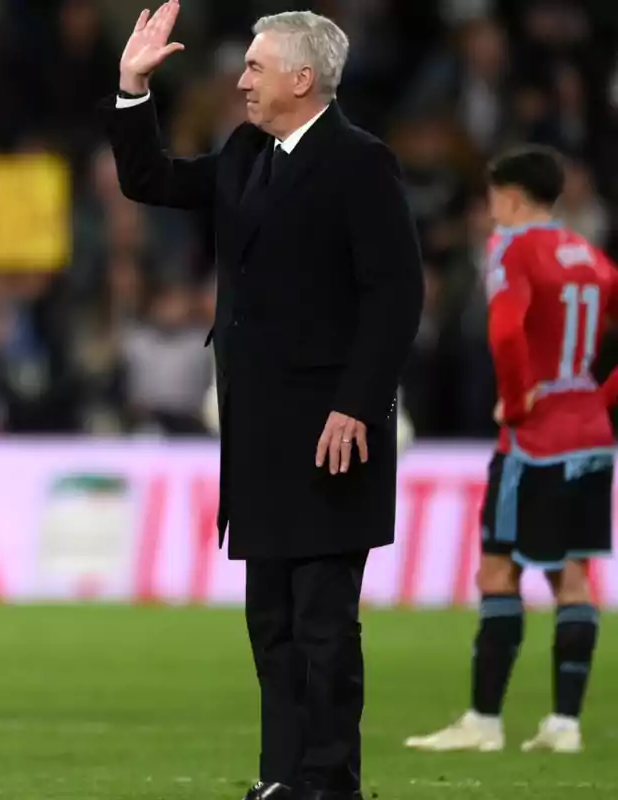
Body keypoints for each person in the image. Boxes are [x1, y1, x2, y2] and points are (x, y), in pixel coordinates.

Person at [106, 5, 422, 799]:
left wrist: (358, 405)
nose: (240, 79)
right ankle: (282, 779)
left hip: (329, 433)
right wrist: (131, 88)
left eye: (254, 66)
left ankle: (330, 781)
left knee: (323, 623)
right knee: (272, 625)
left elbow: (395, 294)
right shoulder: (251, 152)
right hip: (257, 433)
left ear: (301, 78)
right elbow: (152, 179)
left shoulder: (360, 162)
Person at [405, 146, 616, 755]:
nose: (488, 210)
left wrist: (519, 401)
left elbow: (504, 328)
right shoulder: (594, 259)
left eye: (493, 197)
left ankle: (484, 721)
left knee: (498, 569)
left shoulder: (514, 249)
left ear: (514, 197)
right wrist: (599, 399)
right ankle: (565, 725)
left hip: (535, 438)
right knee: (573, 577)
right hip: (590, 436)